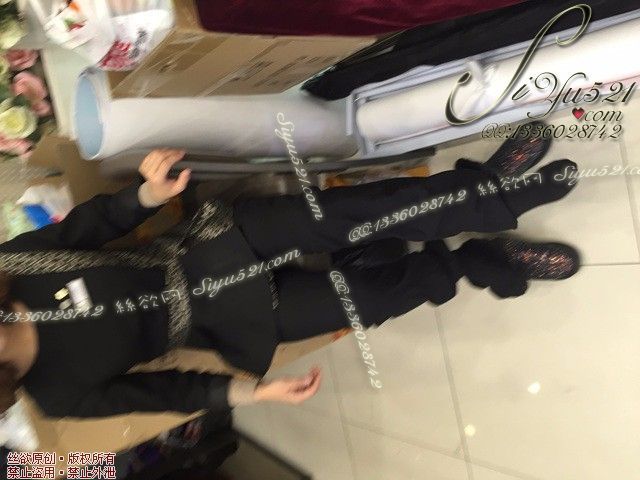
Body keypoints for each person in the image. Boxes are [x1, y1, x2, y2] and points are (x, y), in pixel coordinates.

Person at [0, 126, 580, 421]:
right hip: (224, 320)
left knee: (359, 212)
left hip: (209, 247)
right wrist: (255, 394)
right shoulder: (59, 395)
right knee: (371, 300)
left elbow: (93, 224)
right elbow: (169, 391)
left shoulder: (13, 265)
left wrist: (146, 195)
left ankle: (487, 193)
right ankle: (474, 260)